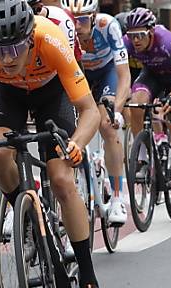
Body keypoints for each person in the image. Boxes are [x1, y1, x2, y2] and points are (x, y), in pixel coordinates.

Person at [0, 0, 108, 288]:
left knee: (62, 179)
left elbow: (90, 111)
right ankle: (23, 216)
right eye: (0, 50)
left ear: (31, 36)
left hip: (51, 93)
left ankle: (90, 282)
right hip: (7, 95)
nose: (7, 58)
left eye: (16, 48)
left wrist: (77, 144)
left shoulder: (51, 40)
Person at [64, 0, 130, 225]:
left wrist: (117, 110)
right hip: (79, 75)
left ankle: (118, 198)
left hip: (106, 74)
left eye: (82, 19)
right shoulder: (64, 27)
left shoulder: (107, 25)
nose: (77, 26)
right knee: (69, 131)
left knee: (107, 126)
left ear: (93, 17)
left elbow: (124, 75)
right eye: (73, 20)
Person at [123, 7, 171, 198]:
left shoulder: (167, 41)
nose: (135, 40)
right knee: (136, 104)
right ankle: (143, 158)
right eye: (131, 35)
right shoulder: (127, 43)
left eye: (140, 35)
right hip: (151, 77)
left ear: (151, 31)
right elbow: (118, 71)